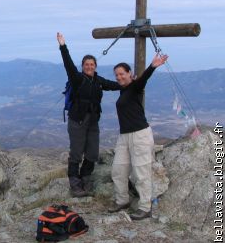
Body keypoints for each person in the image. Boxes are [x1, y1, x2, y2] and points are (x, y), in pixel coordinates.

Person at [57, 32, 121, 197]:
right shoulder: (77, 78)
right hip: (77, 121)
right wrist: (63, 46)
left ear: (95, 66)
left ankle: (86, 179)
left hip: (93, 121)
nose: (89, 67)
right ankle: (75, 184)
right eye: (87, 64)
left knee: (92, 152)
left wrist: (129, 83)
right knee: (77, 152)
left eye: (92, 64)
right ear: (82, 66)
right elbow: (68, 64)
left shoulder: (98, 81)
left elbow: (114, 85)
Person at [108, 53, 168, 220]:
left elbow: (142, 80)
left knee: (141, 173)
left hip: (140, 135)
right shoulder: (123, 89)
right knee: (118, 170)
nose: (119, 77)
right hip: (124, 136)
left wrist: (152, 66)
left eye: (122, 74)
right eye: (117, 75)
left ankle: (145, 207)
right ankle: (122, 201)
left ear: (129, 73)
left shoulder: (135, 86)